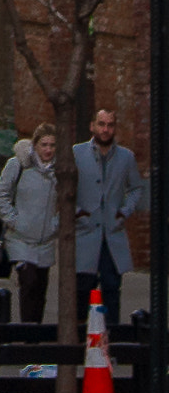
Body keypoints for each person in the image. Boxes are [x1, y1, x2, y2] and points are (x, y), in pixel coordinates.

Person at [74, 105, 142, 327]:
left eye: (110, 125)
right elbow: (63, 187)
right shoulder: (77, 153)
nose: (105, 130)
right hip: (85, 232)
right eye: (101, 124)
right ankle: (83, 336)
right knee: (83, 287)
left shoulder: (125, 157)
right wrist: (77, 212)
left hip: (112, 233)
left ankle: (112, 336)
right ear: (92, 126)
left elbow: (135, 188)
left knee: (112, 287)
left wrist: (124, 211)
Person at [0, 123, 59, 325]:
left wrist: (55, 225)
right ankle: (27, 333)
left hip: (46, 239)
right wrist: (14, 220)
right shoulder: (18, 164)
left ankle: (35, 337)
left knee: (40, 288)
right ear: (35, 145)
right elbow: (1, 194)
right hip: (20, 238)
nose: (48, 150)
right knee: (28, 282)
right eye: (44, 145)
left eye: (52, 145)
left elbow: (70, 200)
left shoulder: (60, 169)